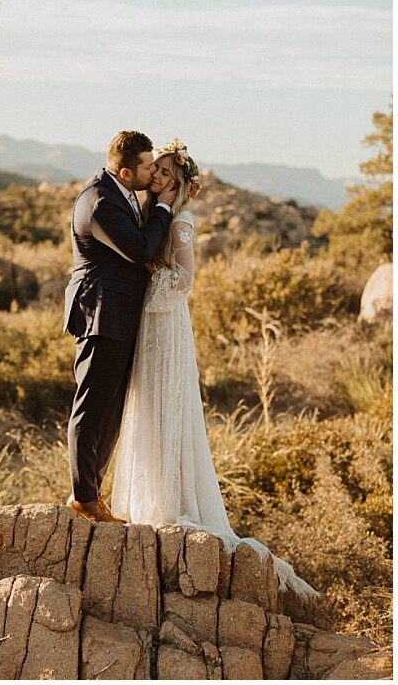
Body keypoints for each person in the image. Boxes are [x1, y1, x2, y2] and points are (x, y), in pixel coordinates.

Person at [110, 140, 315, 596]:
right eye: (155, 169)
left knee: (167, 404)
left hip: (166, 321)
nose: (157, 176)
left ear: (179, 182)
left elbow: (184, 281)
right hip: (149, 322)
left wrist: (148, 272)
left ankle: (169, 501)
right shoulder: (148, 216)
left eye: (165, 171)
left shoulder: (180, 220)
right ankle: (148, 496)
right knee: (147, 404)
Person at [62, 130, 177, 523]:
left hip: (120, 313)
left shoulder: (122, 194)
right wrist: (163, 207)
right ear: (127, 173)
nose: (152, 172)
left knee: (110, 410)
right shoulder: (98, 203)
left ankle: (91, 494)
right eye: (148, 167)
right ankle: (83, 498)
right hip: (101, 312)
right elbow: (140, 248)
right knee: (92, 408)